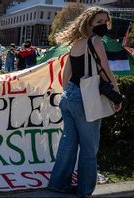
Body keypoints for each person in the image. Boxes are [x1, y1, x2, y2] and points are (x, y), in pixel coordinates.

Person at [47, 7, 122, 197]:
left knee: (68, 143)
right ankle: (84, 190)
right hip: (84, 98)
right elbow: (105, 69)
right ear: (89, 23)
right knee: (89, 147)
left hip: (69, 96)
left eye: (106, 21)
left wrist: (69, 93)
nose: (103, 25)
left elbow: (66, 74)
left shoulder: (76, 43)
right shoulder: (96, 41)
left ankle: (58, 184)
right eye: (99, 22)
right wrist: (116, 92)